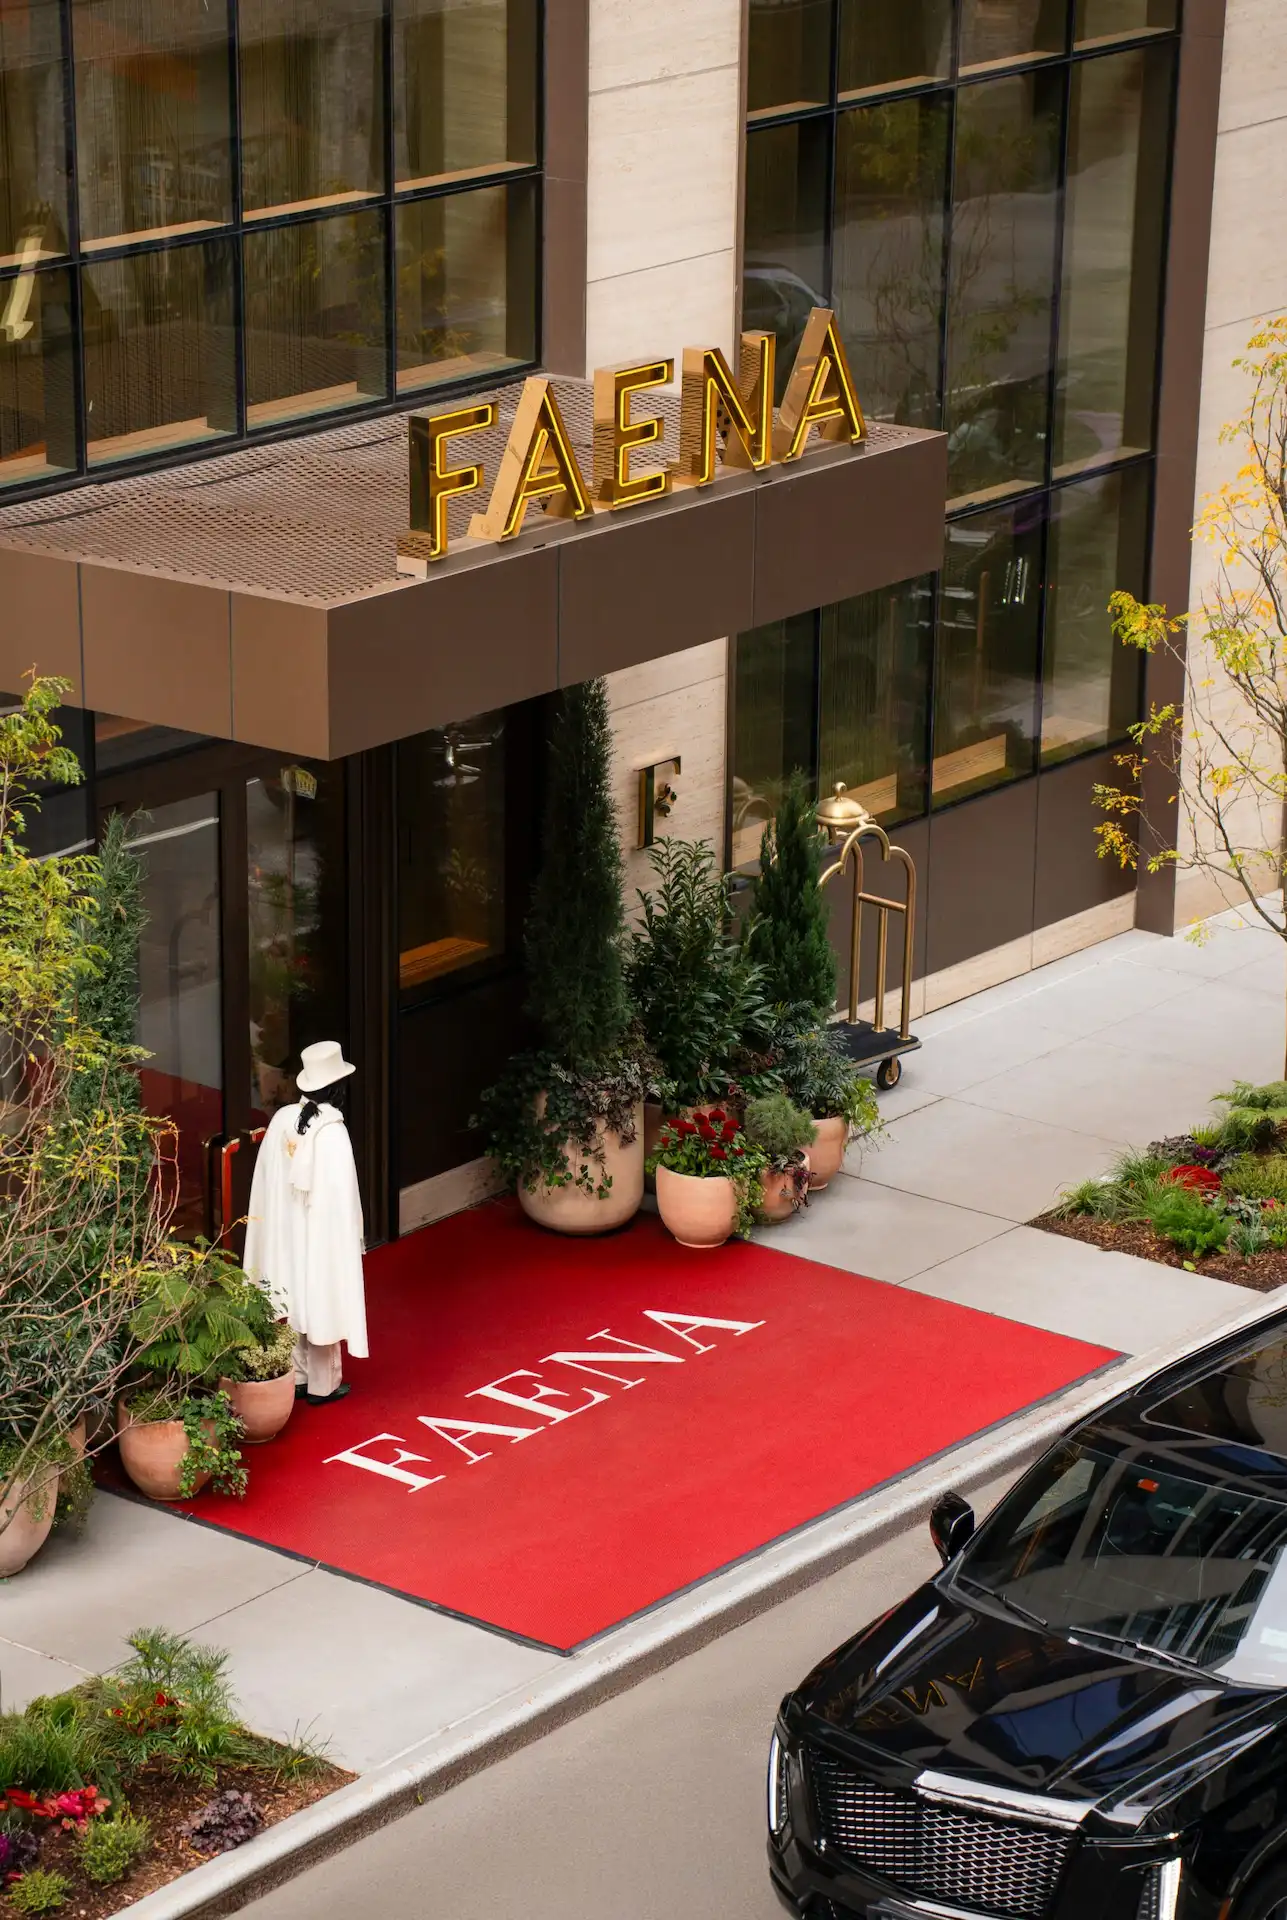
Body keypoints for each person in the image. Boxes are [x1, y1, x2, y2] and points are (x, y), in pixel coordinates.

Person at [243, 1041, 368, 1405]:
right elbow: (343, 1196)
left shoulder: (282, 1120)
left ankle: (297, 1374)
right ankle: (323, 1384)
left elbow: (265, 1180)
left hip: (286, 1232)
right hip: (319, 1233)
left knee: (295, 1297)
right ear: (336, 1089)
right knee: (322, 1297)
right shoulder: (333, 1133)